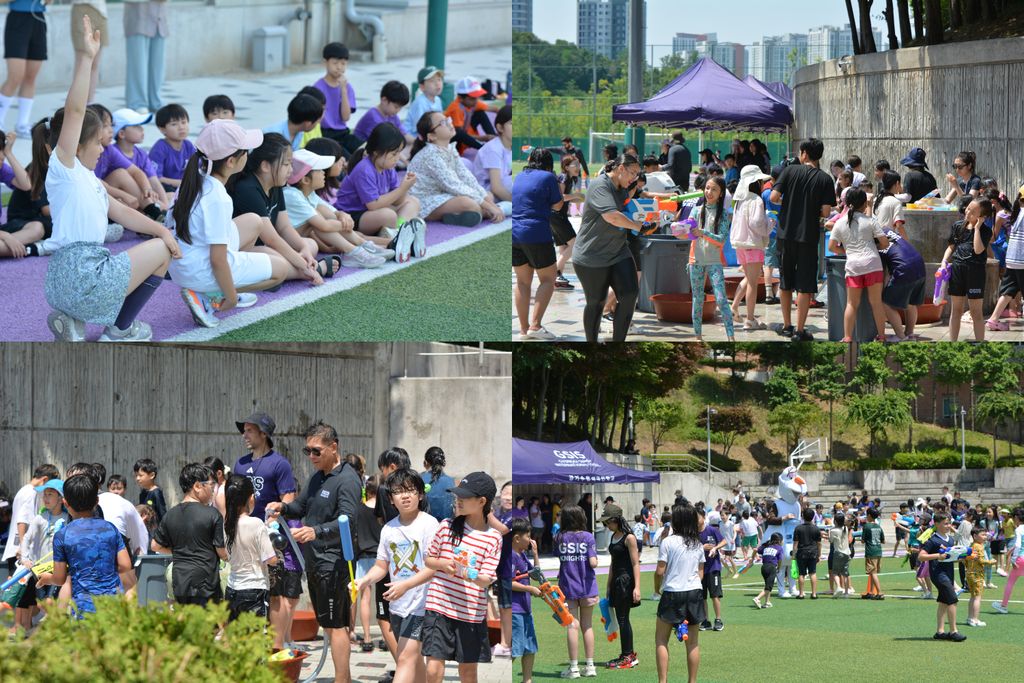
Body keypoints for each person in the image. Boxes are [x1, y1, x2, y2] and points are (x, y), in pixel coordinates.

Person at [41, 16, 179, 342]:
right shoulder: (65, 167)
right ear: (76, 143)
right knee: (161, 251)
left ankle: (73, 320)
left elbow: (123, 212)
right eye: (98, 143)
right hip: (84, 275)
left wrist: (161, 226)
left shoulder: (87, 180)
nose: (104, 149)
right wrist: (87, 59)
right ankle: (121, 328)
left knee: (159, 239)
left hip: (63, 282)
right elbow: (74, 112)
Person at [265, 422, 363, 683]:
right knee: (328, 625)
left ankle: (343, 679)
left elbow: (348, 520)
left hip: (334, 563)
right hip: (316, 562)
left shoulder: (347, 479)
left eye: (316, 451)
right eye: (307, 450)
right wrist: (283, 508)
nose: (311, 456)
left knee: (334, 625)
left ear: (334, 447)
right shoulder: (318, 476)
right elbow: (301, 505)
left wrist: (315, 532)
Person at [352, 469, 440, 683]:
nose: (406, 495)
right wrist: (364, 580)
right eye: (399, 491)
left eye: (411, 490)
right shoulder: (388, 529)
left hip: (422, 606)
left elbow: (433, 568)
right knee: (414, 660)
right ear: (391, 499)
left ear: (420, 494)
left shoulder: (430, 525)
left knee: (404, 659)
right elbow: (381, 566)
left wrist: (406, 585)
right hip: (398, 607)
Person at [422, 472, 501, 683]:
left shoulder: (493, 538)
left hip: (471, 613)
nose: (458, 499)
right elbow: (429, 559)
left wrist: (470, 574)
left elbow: (487, 578)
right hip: (439, 605)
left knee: (467, 673)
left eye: (464, 496)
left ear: (482, 501)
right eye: (458, 495)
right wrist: (443, 564)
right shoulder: (446, 526)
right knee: (433, 668)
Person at [231, 412, 302, 649]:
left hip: (268, 535)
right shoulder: (240, 464)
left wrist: (273, 520)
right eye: (244, 430)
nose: (244, 435)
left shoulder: (279, 463)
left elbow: (288, 499)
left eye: (249, 430)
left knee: (275, 591)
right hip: (242, 534)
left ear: (264, 434)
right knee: (242, 586)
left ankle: (276, 646)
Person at [573, 154, 647, 342]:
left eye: (637, 175)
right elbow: (612, 216)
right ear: (620, 168)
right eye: (633, 173)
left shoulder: (621, 187)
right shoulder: (600, 186)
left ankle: (618, 341)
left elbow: (626, 203)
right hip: (592, 255)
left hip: (618, 251)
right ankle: (591, 342)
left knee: (630, 294)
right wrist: (639, 226)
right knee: (596, 302)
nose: (634, 179)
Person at [770, 138, 836, 342]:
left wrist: (788, 202)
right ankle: (800, 330)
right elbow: (826, 211)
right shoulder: (825, 179)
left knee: (785, 281)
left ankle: (787, 326)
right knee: (806, 284)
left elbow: (773, 197)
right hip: (808, 237)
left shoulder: (789, 171)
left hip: (785, 234)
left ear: (805, 153)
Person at [283, 147, 389, 269]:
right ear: (305, 180)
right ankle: (354, 251)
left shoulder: (309, 193)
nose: (324, 172)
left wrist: (342, 216)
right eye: (319, 170)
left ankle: (361, 245)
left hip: (304, 239)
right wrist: (345, 223)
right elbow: (324, 226)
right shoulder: (291, 195)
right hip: (290, 244)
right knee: (318, 222)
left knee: (325, 216)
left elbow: (333, 212)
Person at [43, 474, 131, 618]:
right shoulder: (110, 529)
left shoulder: (62, 535)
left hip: (83, 607)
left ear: (65, 503)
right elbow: (125, 565)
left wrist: (46, 578)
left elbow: (59, 578)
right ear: (97, 501)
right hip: (113, 605)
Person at [335, 123, 426, 261]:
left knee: (413, 202)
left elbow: (398, 200)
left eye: (399, 153)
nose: (397, 158)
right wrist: (402, 189)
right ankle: (398, 235)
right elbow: (373, 205)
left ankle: (400, 231)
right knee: (388, 215)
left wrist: (405, 188)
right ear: (377, 152)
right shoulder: (364, 170)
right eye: (394, 154)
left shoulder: (388, 167)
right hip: (353, 216)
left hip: (372, 212)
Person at [407, 111, 504, 226]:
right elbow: (453, 185)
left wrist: (488, 203)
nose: (449, 123)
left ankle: (465, 214)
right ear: (431, 136)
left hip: (443, 194)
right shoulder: (430, 155)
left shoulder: (450, 148)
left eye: (448, 119)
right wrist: (488, 206)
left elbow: (467, 178)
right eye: (443, 123)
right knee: (469, 203)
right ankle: (476, 212)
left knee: (488, 196)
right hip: (423, 200)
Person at [150, 463, 228, 606]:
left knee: (187, 624)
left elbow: (155, 546)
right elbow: (222, 553)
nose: (212, 491)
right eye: (210, 485)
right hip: (206, 582)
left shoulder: (170, 515)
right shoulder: (212, 514)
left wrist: (178, 551)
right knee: (209, 625)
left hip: (180, 581)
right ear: (198, 486)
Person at [512, 147, 562, 341]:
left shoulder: (519, 176)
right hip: (537, 233)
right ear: (549, 163)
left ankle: (524, 330)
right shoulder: (548, 177)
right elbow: (557, 205)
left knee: (522, 282)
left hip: (514, 233)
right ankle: (536, 326)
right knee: (548, 280)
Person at [827, 188, 890, 342]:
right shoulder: (870, 221)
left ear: (847, 203)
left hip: (853, 266)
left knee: (851, 304)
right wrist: (875, 248)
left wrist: (846, 250)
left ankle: (847, 337)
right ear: (864, 204)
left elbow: (831, 247)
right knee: (876, 303)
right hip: (873, 265)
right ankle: (881, 336)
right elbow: (885, 243)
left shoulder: (840, 223)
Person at [680, 176, 735, 341]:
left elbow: (721, 240)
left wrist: (703, 233)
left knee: (721, 299)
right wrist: (679, 230)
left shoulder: (724, 214)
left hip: (714, 261)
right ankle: (698, 336)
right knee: (697, 299)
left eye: (714, 189)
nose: (709, 192)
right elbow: (687, 235)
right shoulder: (696, 211)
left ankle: (731, 336)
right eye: (707, 188)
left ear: (721, 193)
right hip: (695, 260)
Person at [655, 504, 704, 683]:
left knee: (661, 640)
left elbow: (660, 571)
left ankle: (663, 681)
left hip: (672, 592)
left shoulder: (668, 541)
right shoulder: (697, 543)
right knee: (692, 643)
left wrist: (656, 589)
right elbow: (700, 573)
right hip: (694, 593)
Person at [223, 474, 278, 622]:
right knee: (255, 640)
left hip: (232, 589)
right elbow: (271, 559)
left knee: (236, 640)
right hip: (254, 589)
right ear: (251, 498)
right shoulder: (256, 523)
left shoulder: (226, 524)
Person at [553, 504, 598, 678]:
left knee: (572, 625)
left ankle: (573, 668)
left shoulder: (560, 537)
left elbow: (559, 557)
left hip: (567, 586)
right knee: (587, 626)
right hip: (587, 586)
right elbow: (593, 563)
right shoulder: (588, 537)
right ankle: (590, 666)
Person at [941, 196, 993, 341]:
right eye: (968, 208)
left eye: (972, 211)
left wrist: (977, 228)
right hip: (957, 269)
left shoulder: (985, 231)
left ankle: (980, 344)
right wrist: (944, 261)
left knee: (976, 312)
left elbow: (977, 250)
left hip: (975, 272)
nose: (967, 211)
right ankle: (952, 343)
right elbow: (951, 247)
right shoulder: (958, 226)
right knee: (956, 310)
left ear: (982, 216)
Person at [729, 165, 772, 331]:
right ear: (756, 181)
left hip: (740, 244)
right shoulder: (756, 200)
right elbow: (757, 224)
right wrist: (769, 225)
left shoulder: (740, 200)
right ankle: (750, 319)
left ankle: (734, 307)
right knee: (753, 283)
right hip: (753, 244)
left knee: (749, 279)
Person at [0, 0, 47, 138]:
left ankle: (22, 124)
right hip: (17, 20)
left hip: (38, 19)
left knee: (31, 76)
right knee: (15, 76)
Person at [602, 503, 641, 669]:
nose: (607, 526)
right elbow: (613, 563)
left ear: (616, 520)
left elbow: (635, 563)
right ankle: (626, 654)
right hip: (616, 581)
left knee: (623, 619)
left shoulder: (629, 538)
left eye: (608, 522)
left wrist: (637, 587)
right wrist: (608, 585)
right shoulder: (613, 536)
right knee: (621, 618)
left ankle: (628, 656)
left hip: (626, 581)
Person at [917, 514, 967, 641]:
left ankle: (940, 632)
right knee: (952, 599)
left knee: (944, 602)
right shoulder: (932, 540)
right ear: (937, 524)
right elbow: (921, 557)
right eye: (945, 523)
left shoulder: (950, 539)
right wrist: (937, 556)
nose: (948, 526)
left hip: (949, 573)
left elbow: (949, 557)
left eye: (949, 523)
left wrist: (961, 558)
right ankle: (953, 631)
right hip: (938, 574)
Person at [112, 107, 170, 211]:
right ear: (121, 134)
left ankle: (158, 211)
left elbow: (155, 182)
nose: (142, 129)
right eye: (136, 126)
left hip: (142, 197)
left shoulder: (141, 154)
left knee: (171, 196)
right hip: (120, 200)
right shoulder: (112, 152)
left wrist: (166, 206)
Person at [986, 184, 1024, 331]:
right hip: (1022, 260)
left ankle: (993, 320)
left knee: (1008, 290)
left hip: (1012, 260)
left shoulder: (1017, 213)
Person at [123, 0, 168, 115]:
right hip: (138, 19)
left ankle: (155, 101)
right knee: (138, 65)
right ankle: (137, 103)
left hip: (159, 20)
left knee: (157, 66)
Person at [509, 518, 539, 683]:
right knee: (515, 650)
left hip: (525, 609)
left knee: (529, 648)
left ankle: (527, 680)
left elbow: (536, 574)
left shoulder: (521, 554)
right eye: (528, 536)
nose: (531, 539)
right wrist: (530, 589)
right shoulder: (511, 556)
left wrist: (535, 554)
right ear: (517, 538)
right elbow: (508, 582)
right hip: (516, 610)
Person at [314, 42, 358, 154]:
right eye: (335, 63)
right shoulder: (318, 87)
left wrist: (343, 90)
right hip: (325, 133)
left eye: (343, 63)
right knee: (344, 156)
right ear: (325, 62)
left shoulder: (347, 87)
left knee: (365, 149)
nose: (339, 67)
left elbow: (345, 117)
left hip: (343, 132)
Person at [550, 154, 584, 290]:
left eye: (578, 164)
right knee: (575, 244)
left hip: (559, 215)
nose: (577, 167)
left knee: (564, 248)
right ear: (566, 167)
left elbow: (568, 199)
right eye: (574, 165)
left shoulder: (570, 178)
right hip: (557, 216)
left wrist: (582, 199)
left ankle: (558, 280)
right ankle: (555, 273)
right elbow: (560, 197)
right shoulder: (563, 177)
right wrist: (576, 195)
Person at [352, 80, 414, 150]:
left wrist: (418, 142)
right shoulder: (374, 118)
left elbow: (404, 135)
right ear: (384, 100)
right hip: (364, 150)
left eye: (400, 108)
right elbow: (385, 145)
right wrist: (405, 160)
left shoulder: (392, 115)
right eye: (396, 107)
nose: (398, 111)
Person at [445, 76, 500, 154]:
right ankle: (484, 148)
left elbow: (495, 109)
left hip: (465, 133)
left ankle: (494, 140)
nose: (476, 101)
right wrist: (484, 138)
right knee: (459, 132)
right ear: (461, 98)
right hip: (452, 141)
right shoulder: (456, 108)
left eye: (477, 97)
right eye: (473, 98)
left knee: (480, 113)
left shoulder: (472, 103)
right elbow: (460, 134)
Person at [149, 103, 196, 191]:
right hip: (165, 189)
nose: (181, 127)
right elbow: (155, 178)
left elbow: (200, 167)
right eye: (174, 124)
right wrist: (181, 183)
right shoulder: (159, 149)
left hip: (184, 187)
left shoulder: (188, 145)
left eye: (184, 122)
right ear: (162, 129)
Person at [471, 105, 512, 204]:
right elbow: (496, 187)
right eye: (512, 124)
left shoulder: (510, 147)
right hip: (486, 192)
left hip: (499, 188)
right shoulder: (494, 149)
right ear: (500, 128)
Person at [696, 508, 725, 631]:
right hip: (699, 569)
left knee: (715, 595)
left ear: (703, 517)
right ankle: (705, 620)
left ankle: (718, 620)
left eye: (697, 518)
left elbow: (724, 541)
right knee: (702, 597)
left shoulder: (712, 530)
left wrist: (715, 548)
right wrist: (702, 547)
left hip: (713, 568)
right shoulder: (693, 533)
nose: (695, 521)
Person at [992, 507, 1024, 614]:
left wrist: (1013, 559)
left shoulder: (1019, 529)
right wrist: (1012, 549)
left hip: (1020, 559)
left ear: (1016, 517)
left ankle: (1004, 605)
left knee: (1010, 582)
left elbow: (1019, 545)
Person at [963, 526, 996, 627]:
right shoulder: (979, 546)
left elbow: (965, 559)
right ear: (975, 536)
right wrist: (991, 562)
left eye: (985, 534)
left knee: (973, 597)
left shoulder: (971, 545)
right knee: (977, 597)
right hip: (977, 575)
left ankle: (970, 618)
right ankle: (975, 619)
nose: (985, 537)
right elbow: (981, 561)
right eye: (983, 535)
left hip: (969, 574)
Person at [791, 507, 822, 599]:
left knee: (801, 573)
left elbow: (795, 544)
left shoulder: (798, 528)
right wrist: (819, 555)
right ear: (813, 517)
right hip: (813, 552)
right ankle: (814, 593)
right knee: (813, 573)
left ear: (803, 516)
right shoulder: (816, 528)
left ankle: (801, 594)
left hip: (801, 552)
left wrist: (793, 555)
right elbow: (819, 544)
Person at [405, 66, 444, 136]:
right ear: (422, 87)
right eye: (432, 81)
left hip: (430, 133)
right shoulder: (420, 102)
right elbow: (420, 128)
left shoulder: (438, 100)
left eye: (439, 79)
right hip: (414, 136)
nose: (438, 84)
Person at [422, 446, 455, 522]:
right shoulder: (452, 482)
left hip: (425, 526)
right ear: (444, 463)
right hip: (446, 528)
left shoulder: (419, 479)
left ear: (425, 463)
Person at [751, 532, 783, 609]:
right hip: (772, 567)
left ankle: (767, 602)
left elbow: (755, 549)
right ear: (779, 540)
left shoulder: (766, 546)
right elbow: (780, 560)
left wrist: (752, 558)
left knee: (767, 585)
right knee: (769, 587)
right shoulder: (779, 548)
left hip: (764, 567)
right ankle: (757, 598)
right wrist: (779, 568)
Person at [873, 171, 907, 238]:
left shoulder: (876, 199)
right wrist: (907, 244)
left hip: (874, 240)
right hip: (887, 242)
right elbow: (899, 226)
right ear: (897, 183)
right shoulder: (895, 202)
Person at [860, 507, 885, 599]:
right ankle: (870, 591)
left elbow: (863, 540)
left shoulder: (866, 526)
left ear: (869, 516)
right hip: (878, 551)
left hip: (871, 551)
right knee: (872, 572)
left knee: (873, 572)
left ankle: (879, 592)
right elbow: (883, 541)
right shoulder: (878, 526)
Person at [132, 458, 167, 523]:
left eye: (140, 475)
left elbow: (163, 514)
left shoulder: (156, 493)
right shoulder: (143, 493)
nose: (137, 478)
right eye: (136, 475)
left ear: (152, 475)